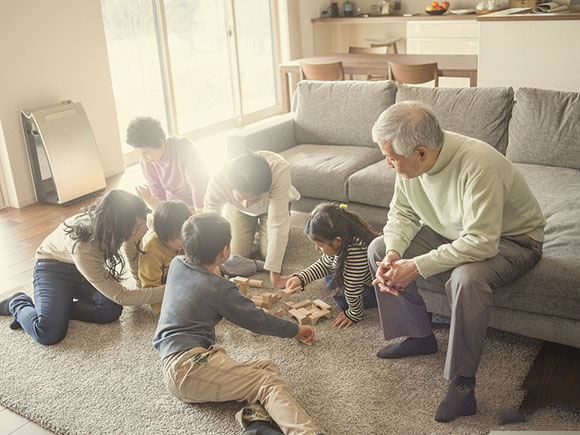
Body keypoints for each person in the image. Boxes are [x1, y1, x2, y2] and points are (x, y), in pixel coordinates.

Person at [367, 101, 546, 422]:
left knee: (466, 279)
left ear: (421, 152)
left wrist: (417, 266)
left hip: (513, 241)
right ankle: (420, 337)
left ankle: (463, 386)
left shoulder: (478, 164)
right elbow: (403, 214)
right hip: (453, 232)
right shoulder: (410, 165)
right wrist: (395, 253)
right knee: (379, 248)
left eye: (391, 158)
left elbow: (482, 241)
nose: (388, 164)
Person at [153, 213, 322, 435]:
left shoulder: (177, 264)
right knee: (266, 381)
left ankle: (254, 420)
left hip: (180, 364)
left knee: (267, 367)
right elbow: (256, 320)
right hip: (190, 369)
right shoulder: (219, 289)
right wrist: (295, 330)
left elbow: (210, 274)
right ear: (224, 251)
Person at [0, 190, 164, 345]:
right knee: (48, 332)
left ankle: (58, 309)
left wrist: (141, 284)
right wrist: (167, 289)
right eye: (140, 225)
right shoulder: (84, 246)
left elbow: (131, 249)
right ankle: (18, 302)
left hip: (83, 271)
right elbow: (122, 296)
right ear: (119, 226)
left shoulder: (113, 227)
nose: (147, 229)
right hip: (53, 269)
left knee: (110, 310)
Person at [203, 151, 300, 288]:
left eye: (253, 199)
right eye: (241, 197)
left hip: (271, 207)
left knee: (268, 255)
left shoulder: (279, 169)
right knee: (235, 254)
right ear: (232, 187)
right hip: (237, 210)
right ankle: (252, 225)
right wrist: (212, 262)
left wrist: (275, 276)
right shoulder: (219, 178)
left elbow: (278, 222)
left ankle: (263, 227)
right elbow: (209, 221)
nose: (246, 204)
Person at [284, 203, 378, 329]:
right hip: (355, 276)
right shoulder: (341, 240)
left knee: (342, 296)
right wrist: (302, 278)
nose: (316, 249)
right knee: (332, 274)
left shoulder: (355, 253)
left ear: (337, 241)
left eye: (320, 245)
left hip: (375, 290)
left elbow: (352, 289)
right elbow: (324, 264)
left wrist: (354, 314)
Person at [126, 116, 208, 211]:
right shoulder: (145, 163)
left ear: (160, 143)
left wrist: (199, 212)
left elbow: (197, 185)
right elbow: (159, 196)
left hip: (202, 200)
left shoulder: (183, 146)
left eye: (146, 152)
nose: (144, 159)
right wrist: (155, 204)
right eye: (139, 154)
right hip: (177, 207)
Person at [138, 200, 192, 314]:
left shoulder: (184, 241)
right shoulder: (151, 254)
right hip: (159, 286)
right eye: (179, 237)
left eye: (187, 234)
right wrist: (165, 311)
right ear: (163, 235)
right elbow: (150, 289)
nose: (186, 240)